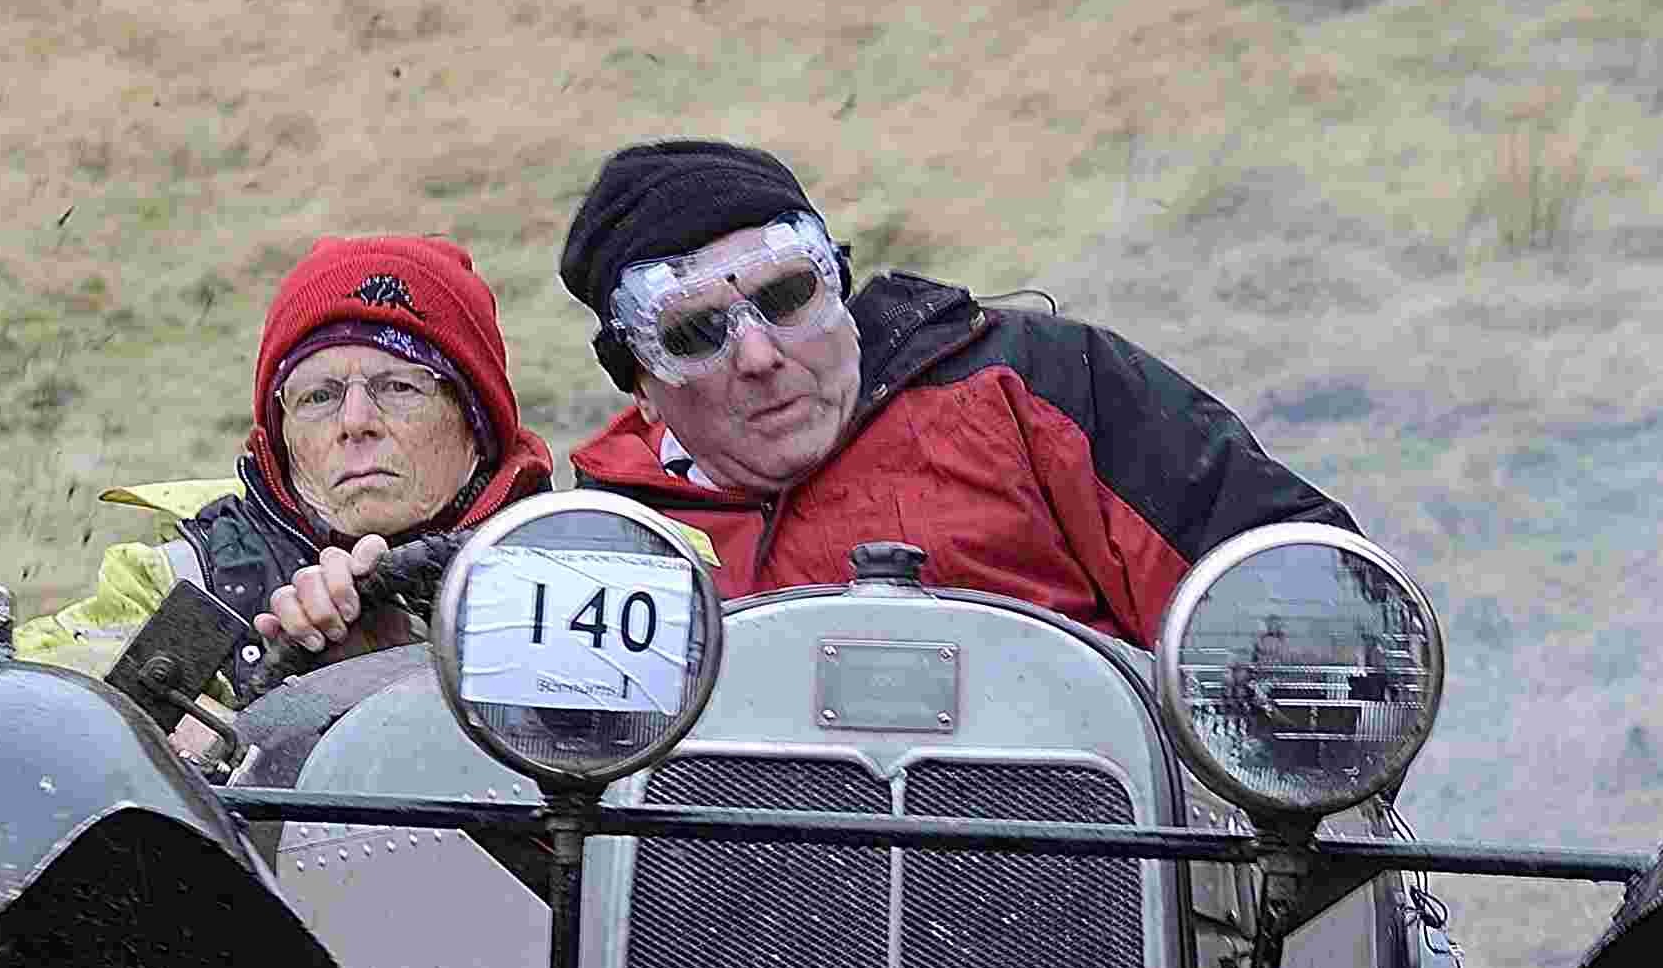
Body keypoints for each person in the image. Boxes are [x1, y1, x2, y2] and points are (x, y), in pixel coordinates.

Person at [553, 140, 1355, 639]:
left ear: (841, 290)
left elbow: (1305, 603)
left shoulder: (1034, 386)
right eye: (696, 334)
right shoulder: (607, 544)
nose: (759, 356)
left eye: (789, 296)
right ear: (644, 389)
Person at [15, 233, 559, 716]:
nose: (355, 422)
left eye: (398, 387)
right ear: (282, 439)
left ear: (476, 422)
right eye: (319, 396)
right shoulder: (197, 576)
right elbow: (36, 701)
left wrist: (410, 661)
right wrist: (172, 730)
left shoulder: (571, 574)